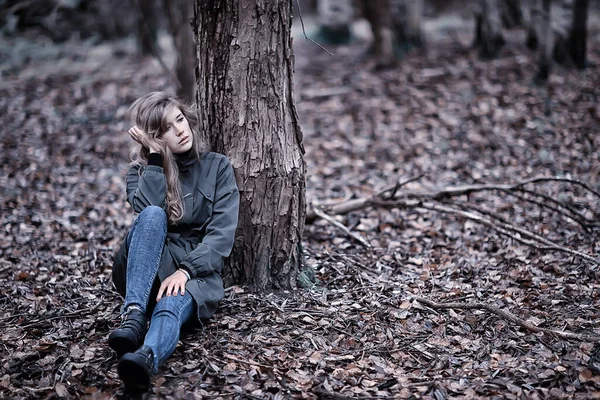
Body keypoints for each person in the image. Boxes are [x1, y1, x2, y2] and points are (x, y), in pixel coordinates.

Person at [109, 91, 239, 391]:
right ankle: (133, 316)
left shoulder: (217, 167)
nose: (180, 130)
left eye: (180, 120)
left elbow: (221, 233)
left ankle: (144, 359)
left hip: (195, 271)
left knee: (172, 304)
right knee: (154, 214)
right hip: (145, 268)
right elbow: (145, 219)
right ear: (154, 138)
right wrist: (156, 159)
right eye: (166, 128)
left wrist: (187, 270)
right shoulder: (140, 172)